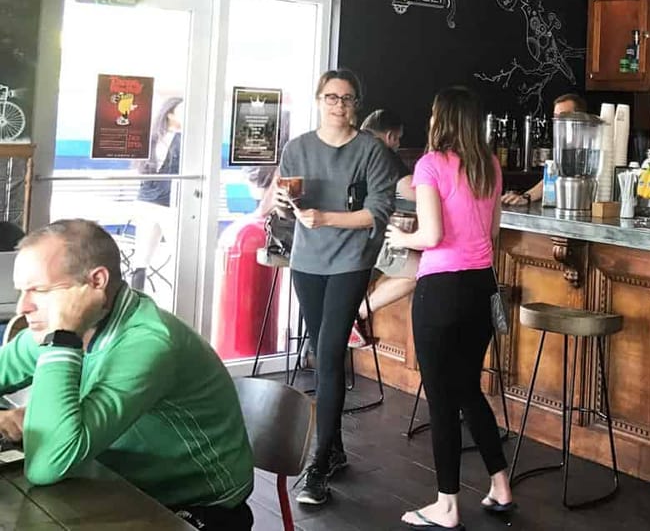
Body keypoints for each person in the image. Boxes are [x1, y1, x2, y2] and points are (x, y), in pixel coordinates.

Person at [0, 219, 253, 529]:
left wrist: (63, 338)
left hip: (196, 505)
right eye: (22, 291)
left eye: (39, 290)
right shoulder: (59, 326)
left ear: (96, 282)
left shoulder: (148, 344)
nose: (23, 307)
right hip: (110, 481)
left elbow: (46, 464)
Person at [386, 86, 512, 529]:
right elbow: (492, 232)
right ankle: (500, 485)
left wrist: (401, 237)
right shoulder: (490, 165)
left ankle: (447, 505)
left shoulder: (430, 164)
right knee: (468, 390)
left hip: (440, 290)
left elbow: (432, 236)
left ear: (441, 119)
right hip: (481, 287)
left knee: (441, 401)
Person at [274, 69, 396, 507]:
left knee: (327, 355)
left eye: (346, 98)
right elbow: (286, 206)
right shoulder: (297, 148)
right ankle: (336, 449)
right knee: (320, 353)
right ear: (318, 100)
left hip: (350, 261)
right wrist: (282, 204)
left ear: (356, 104)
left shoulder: (371, 150)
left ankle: (319, 462)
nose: (338, 105)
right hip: (307, 261)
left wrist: (326, 218)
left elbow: (377, 212)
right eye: (331, 97)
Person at [349, 108, 416, 349]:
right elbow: (412, 191)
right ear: (390, 136)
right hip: (367, 235)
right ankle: (356, 316)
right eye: (398, 139)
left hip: (341, 239)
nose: (398, 145)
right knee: (421, 270)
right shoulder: (381, 151)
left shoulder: (350, 144)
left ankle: (344, 313)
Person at [130, 97, 182, 295]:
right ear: (170, 114)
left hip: (153, 200)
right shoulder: (177, 140)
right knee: (147, 256)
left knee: (144, 256)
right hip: (163, 202)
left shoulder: (153, 139)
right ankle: (138, 294)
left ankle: (137, 295)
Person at [500, 93, 587, 205]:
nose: (558, 122)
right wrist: (525, 197)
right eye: (555, 117)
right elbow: (551, 178)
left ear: (580, 118)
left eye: (563, 116)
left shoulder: (589, 144)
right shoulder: (564, 145)